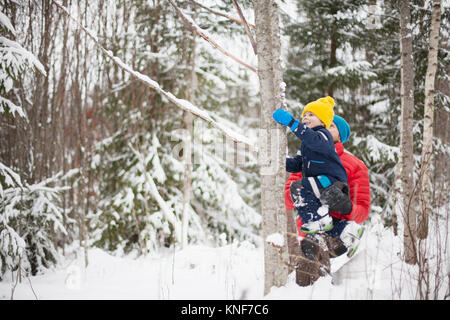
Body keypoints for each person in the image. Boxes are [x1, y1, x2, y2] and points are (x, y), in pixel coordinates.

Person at [285, 114, 371, 258]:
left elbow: (363, 211)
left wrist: (347, 208)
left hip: (339, 241)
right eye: (323, 124)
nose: (324, 128)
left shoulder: (356, 166)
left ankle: (347, 233)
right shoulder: (306, 160)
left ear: (340, 135)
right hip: (309, 236)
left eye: (330, 125)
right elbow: (287, 199)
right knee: (308, 276)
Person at [272, 96, 350, 235]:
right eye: (304, 115)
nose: (305, 118)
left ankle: (317, 220)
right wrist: (279, 161)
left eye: (311, 115)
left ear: (322, 120)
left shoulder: (323, 135)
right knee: (318, 211)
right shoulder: (306, 144)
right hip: (321, 183)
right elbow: (297, 164)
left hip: (331, 181)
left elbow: (310, 138)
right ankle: (346, 230)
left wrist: (291, 123)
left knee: (298, 187)